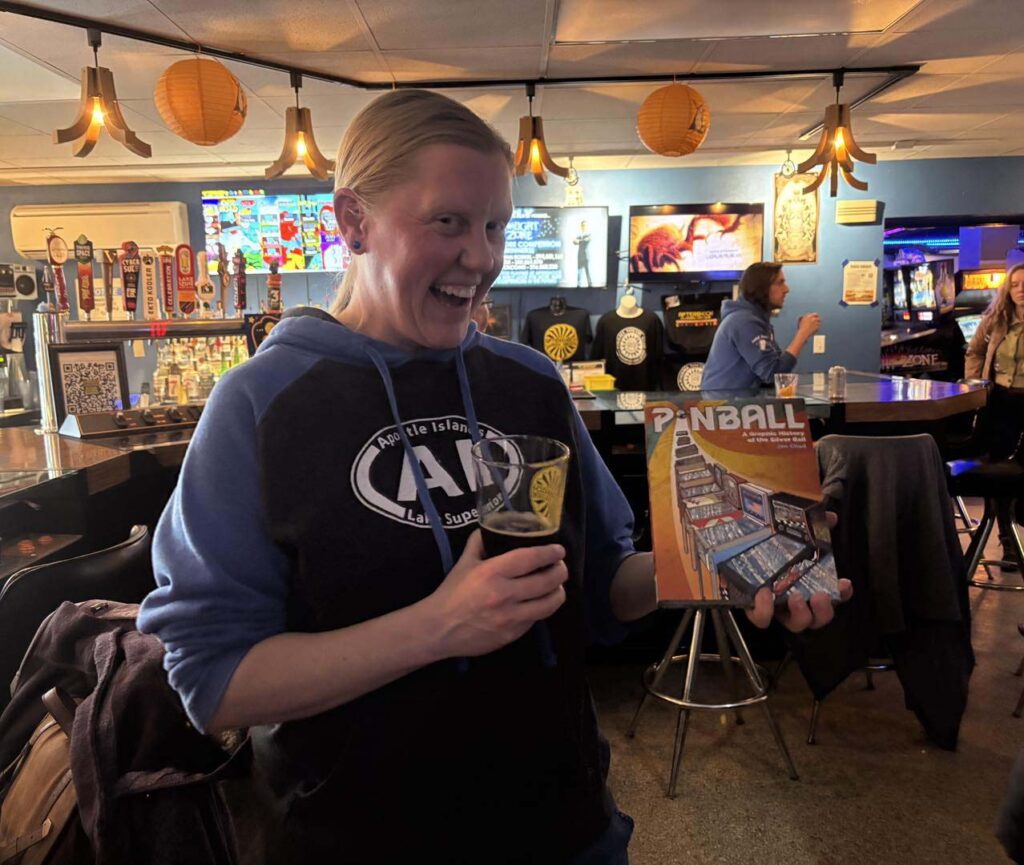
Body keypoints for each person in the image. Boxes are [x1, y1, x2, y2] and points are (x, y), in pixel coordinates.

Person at [138, 90, 846, 864]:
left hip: (563, 826)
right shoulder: (261, 403)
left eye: (495, 226)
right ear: (352, 221)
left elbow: (605, 585)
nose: (480, 258)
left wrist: (721, 554)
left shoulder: (532, 383)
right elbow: (213, 680)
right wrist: (436, 627)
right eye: (448, 222)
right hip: (352, 839)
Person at [965, 262, 1024, 569]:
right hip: (1000, 402)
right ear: (1007, 290)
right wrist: (975, 385)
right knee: (998, 470)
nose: (1020, 290)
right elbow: (973, 351)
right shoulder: (996, 320)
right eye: (1014, 285)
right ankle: (1007, 542)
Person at [700, 261, 820, 390]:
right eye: (780, 283)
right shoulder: (744, 322)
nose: (786, 289)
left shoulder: (755, 320)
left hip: (738, 403)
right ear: (762, 288)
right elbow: (773, 374)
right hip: (724, 405)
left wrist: (803, 334)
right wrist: (802, 334)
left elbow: (777, 366)